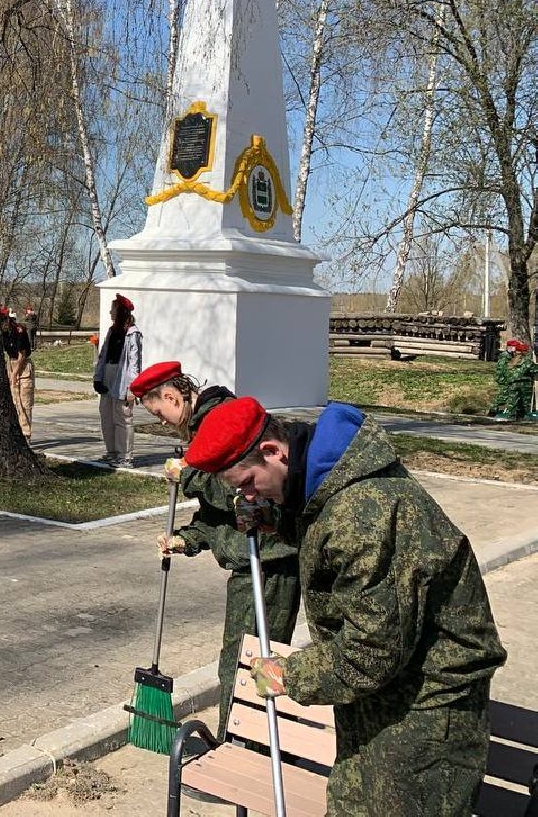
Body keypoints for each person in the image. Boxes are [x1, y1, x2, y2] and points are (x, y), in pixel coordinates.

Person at [185, 396, 506, 815]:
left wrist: (288, 675)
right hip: (381, 700)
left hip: (424, 714)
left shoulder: (363, 512)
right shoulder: (328, 485)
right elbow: (332, 546)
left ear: (272, 451)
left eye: (247, 482)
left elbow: (369, 653)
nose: (246, 495)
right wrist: (276, 521)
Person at [131, 361, 299, 737]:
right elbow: (219, 515)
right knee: (245, 661)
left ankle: (246, 748)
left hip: (268, 562)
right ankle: (251, 742)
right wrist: (187, 539)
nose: (160, 421)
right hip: (252, 561)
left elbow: (241, 494)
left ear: (173, 396)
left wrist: (188, 475)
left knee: (251, 664)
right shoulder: (204, 424)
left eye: (159, 412)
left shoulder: (219, 422)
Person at [92, 294, 142, 465]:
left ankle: (125, 455)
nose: (110, 312)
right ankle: (111, 451)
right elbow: (103, 355)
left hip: (123, 377)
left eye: (113, 309)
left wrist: (133, 387)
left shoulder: (132, 333)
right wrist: (98, 378)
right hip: (108, 373)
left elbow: (134, 362)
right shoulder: (112, 330)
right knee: (106, 415)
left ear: (120, 311)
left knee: (123, 417)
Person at [0, 306, 36, 439]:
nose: (2, 322)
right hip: (11, 363)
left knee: (25, 402)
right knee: (15, 401)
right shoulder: (2, 332)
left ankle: (26, 434)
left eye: (4, 319)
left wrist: (15, 374)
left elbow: (22, 354)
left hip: (23, 366)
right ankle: (15, 434)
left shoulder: (19, 330)